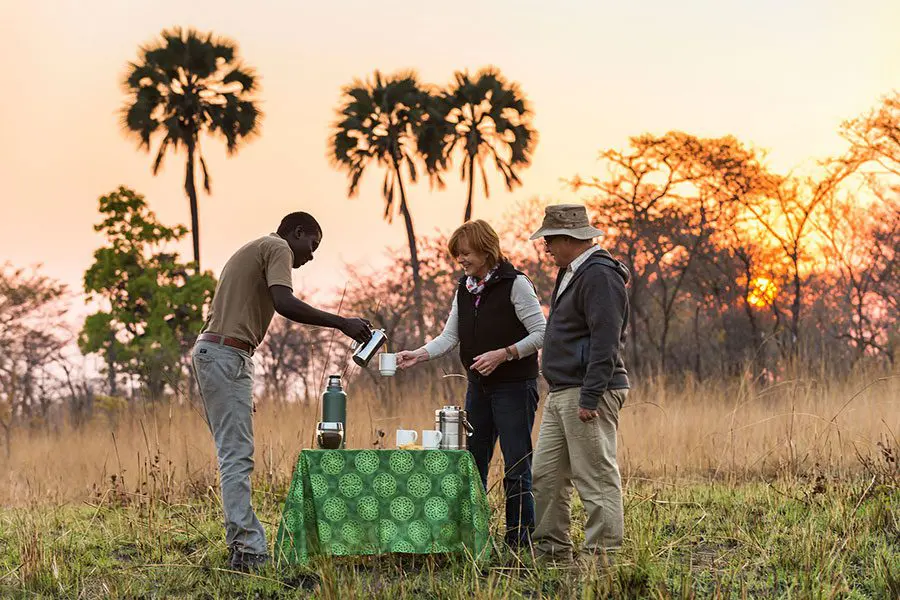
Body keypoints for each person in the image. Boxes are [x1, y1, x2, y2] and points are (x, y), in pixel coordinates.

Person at [192, 212, 372, 572]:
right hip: (226, 355)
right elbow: (285, 304)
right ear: (298, 232)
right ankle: (247, 549)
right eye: (312, 244)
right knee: (237, 456)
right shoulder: (277, 247)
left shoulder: (258, 247)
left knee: (235, 453)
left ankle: (244, 544)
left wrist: (237, 373)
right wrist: (343, 323)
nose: (311, 255)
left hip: (225, 355)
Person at [396, 220, 546, 547]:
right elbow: (450, 336)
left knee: (516, 462)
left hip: (514, 387)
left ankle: (519, 540)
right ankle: (472, 535)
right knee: (473, 461)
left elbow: (541, 333)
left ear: (485, 249)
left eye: (466, 253)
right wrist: (418, 355)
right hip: (478, 388)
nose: (461, 260)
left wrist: (505, 354)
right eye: (457, 255)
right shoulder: (465, 288)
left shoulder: (515, 284)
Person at [528, 204, 631, 566]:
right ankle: (553, 553)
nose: (546, 246)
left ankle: (603, 560)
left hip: (588, 391)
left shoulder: (599, 274)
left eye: (550, 239)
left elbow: (606, 340)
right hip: (562, 391)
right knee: (546, 475)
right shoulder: (571, 272)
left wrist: (591, 395)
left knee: (595, 477)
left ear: (572, 238)